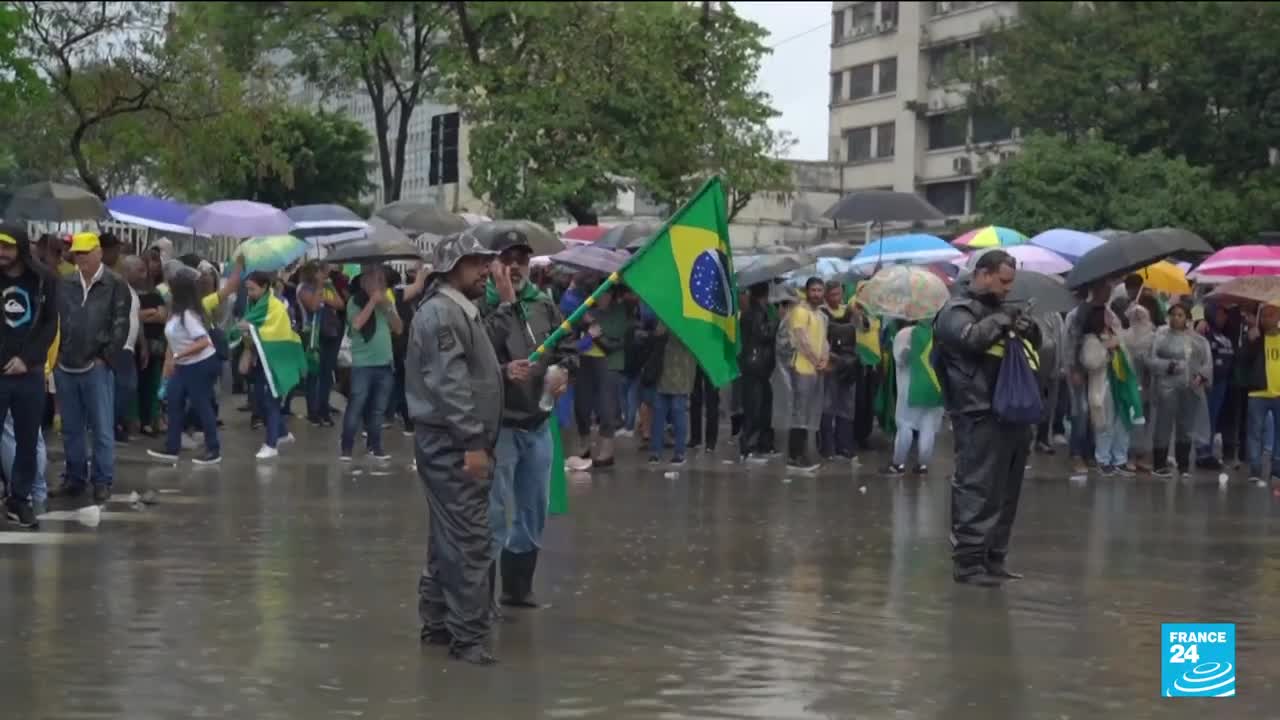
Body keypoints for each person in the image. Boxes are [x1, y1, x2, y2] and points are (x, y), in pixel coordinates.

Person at [409, 233, 520, 666]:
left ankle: (438, 624)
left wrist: (503, 372)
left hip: (449, 440)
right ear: (452, 267)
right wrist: (473, 442)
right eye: (476, 264)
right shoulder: (441, 314)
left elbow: (468, 373)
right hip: (453, 443)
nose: (485, 272)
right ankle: (468, 637)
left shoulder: (456, 311)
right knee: (471, 539)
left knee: (446, 537)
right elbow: (449, 385)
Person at [934, 250, 1041, 587]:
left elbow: (1038, 348)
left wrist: (1028, 327)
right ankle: (968, 562)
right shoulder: (955, 310)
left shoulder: (1000, 309)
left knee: (1006, 490)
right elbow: (971, 340)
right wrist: (1003, 320)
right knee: (977, 486)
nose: (1008, 288)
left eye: (1011, 282)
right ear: (983, 274)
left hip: (1011, 410)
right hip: (977, 410)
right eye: (1003, 280)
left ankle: (994, 557)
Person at [481, 230, 573, 610]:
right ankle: (481, 597)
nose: (515, 266)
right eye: (507, 258)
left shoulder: (544, 304)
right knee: (494, 513)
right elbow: (475, 360)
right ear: (493, 263)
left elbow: (564, 345)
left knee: (534, 509)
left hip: (537, 424)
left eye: (521, 259)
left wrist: (564, 368)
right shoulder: (480, 305)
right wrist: (502, 370)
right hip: (499, 425)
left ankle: (517, 590)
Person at [49, 232, 130, 506]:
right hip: (65, 364)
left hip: (96, 365)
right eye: (77, 254)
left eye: (85, 253)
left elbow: (120, 325)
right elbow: (56, 318)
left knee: (101, 427)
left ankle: (102, 480)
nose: (80, 259)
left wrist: (105, 357)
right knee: (71, 427)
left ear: (98, 253)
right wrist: (57, 355)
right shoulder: (66, 282)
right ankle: (74, 477)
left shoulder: (115, 284)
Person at [0, 224, 57, 528]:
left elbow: (50, 325)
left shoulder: (44, 280)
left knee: (26, 442)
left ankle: (19, 499)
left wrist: (27, 359)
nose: (1, 254)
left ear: (20, 248)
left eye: (7, 248)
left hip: (29, 373)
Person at [146, 270, 222, 465]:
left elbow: (203, 342)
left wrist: (179, 355)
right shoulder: (176, 313)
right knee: (173, 400)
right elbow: (172, 343)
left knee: (201, 404)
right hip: (183, 365)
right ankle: (172, 447)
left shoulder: (188, 315)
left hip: (200, 364)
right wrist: (170, 363)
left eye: (171, 288)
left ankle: (213, 449)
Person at [340, 264, 403, 462]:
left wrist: (388, 307)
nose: (380, 286)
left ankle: (375, 447)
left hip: (385, 363)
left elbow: (399, 328)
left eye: (382, 282)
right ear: (365, 282)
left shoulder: (386, 302)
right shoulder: (355, 302)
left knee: (378, 409)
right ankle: (346, 448)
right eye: (376, 281)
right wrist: (372, 302)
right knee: (356, 405)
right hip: (363, 365)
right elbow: (357, 324)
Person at [238, 271, 302, 460]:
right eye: (247, 289)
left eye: (252, 289)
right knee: (260, 399)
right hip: (261, 360)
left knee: (271, 400)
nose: (249, 293)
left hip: (275, 360)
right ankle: (282, 433)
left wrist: (250, 327)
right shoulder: (254, 304)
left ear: (265, 287)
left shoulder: (275, 305)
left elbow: (275, 330)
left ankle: (271, 444)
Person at [1147, 301, 1212, 477]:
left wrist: (1202, 376)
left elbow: (1206, 361)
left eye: (1180, 315)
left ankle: (1183, 465)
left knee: (1186, 426)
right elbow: (1151, 361)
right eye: (1173, 315)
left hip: (1190, 387)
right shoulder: (1160, 337)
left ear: (1188, 318)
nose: (1176, 318)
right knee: (1163, 424)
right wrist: (1168, 366)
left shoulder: (1198, 340)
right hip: (1166, 387)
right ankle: (1159, 464)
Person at [1079, 305, 1135, 476]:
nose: (1111, 318)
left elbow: (1129, 356)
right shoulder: (1090, 339)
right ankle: (1103, 459)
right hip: (1104, 387)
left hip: (1122, 385)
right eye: (1107, 315)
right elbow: (1090, 362)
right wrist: (1106, 348)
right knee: (1104, 424)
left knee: (1123, 422)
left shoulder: (1117, 335)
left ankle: (1120, 459)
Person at [783, 278, 829, 473]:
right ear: (807, 291)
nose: (817, 294)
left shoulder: (820, 315)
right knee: (800, 412)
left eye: (820, 290)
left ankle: (802, 453)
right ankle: (795, 457)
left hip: (816, 369)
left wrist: (824, 359)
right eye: (813, 290)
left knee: (808, 412)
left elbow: (825, 341)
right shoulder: (799, 312)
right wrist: (815, 359)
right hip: (802, 368)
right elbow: (801, 340)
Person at [888, 320, 945, 475]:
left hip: (910, 388)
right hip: (935, 387)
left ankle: (898, 464)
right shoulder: (938, 333)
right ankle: (923, 465)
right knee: (928, 427)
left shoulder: (905, 334)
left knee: (904, 425)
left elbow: (900, 360)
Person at [296, 262, 346, 427]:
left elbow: (340, 304)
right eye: (320, 271)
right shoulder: (303, 288)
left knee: (326, 374)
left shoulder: (327, 286)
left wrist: (328, 290)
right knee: (314, 374)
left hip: (331, 333)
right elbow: (313, 306)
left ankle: (324, 409)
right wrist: (319, 288)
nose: (324, 274)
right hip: (313, 335)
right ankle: (313, 411)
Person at [1239, 303, 1280, 486]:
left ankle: (1277, 470)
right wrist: (1250, 341)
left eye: (1271, 315)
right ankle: (1255, 469)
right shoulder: (1255, 338)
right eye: (1263, 315)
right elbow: (1242, 361)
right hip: (1258, 392)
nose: (1266, 319)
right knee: (1254, 432)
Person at [737, 283, 777, 463]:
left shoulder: (758, 311)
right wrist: (776, 323)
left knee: (763, 405)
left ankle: (763, 443)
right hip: (755, 365)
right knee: (754, 407)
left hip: (759, 366)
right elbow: (763, 334)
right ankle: (749, 446)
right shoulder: (754, 313)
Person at [647, 323, 696, 466]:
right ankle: (663, 452)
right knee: (663, 414)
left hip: (679, 375)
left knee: (671, 413)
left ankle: (674, 452)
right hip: (666, 374)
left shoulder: (674, 322)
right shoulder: (666, 321)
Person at [112, 255, 143, 444]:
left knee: (127, 388)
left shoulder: (132, 291)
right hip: (119, 347)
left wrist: (143, 343)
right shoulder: (116, 288)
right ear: (127, 270)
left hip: (129, 347)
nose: (143, 275)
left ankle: (117, 424)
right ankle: (113, 425)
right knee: (124, 387)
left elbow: (136, 319)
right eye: (139, 270)